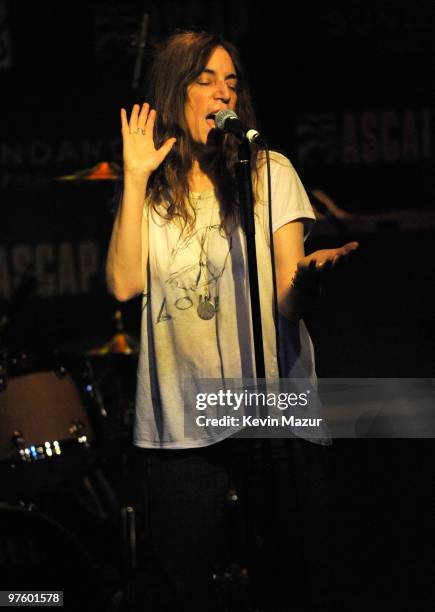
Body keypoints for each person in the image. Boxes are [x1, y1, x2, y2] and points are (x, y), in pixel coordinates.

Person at [105, 29, 358, 612]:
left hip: (274, 409)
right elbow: (122, 283)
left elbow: (287, 305)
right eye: (206, 80)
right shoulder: (153, 190)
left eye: (232, 83)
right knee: (180, 588)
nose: (224, 94)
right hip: (183, 420)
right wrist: (136, 175)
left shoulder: (270, 172)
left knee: (293, 582)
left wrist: (305, 280)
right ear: (177, 92)